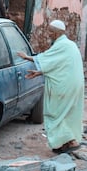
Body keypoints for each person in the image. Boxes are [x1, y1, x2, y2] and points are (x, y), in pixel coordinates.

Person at [17, 19, 84, 153]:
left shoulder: (62, 46)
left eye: (50, 32)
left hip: (64, 87)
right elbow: (57, 66)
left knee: (56, 113)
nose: (48, 34)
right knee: (66, 113)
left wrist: (27, 57)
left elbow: (47, 59)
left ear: (55, 33)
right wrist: (39, 73)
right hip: (73, 85)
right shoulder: (69, 45)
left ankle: (69, 142)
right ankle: (66, 143)